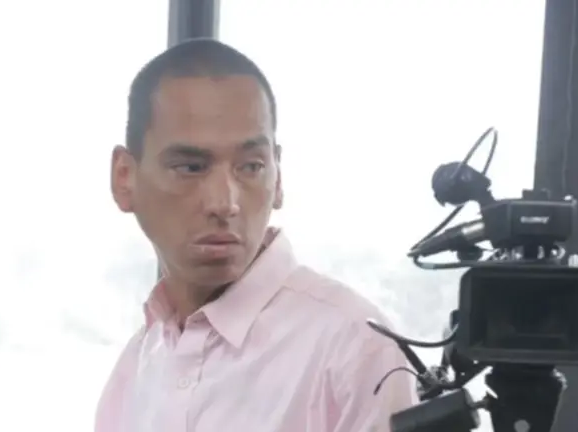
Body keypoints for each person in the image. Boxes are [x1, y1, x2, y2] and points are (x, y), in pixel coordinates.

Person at [96, 38, 415, 432]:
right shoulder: (134, 371)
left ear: (277, 177)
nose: (224, 202)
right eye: (191, 167)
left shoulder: (355, 348)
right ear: (124, 178)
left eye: (251, 167)